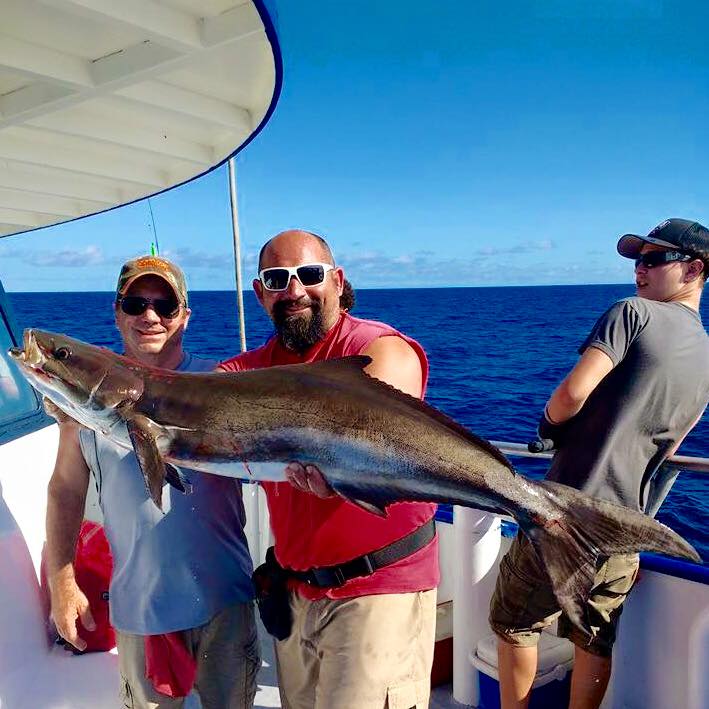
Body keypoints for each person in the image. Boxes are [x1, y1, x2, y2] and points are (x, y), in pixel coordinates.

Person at [490, 218, 709, 709]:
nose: (639, 271)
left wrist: (548, 429)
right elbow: (671, 445)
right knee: (594, 637)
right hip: (626, 526)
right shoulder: (708, 357)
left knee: (513, 621)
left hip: (566, 512)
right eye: (637, 261)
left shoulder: (632, 314)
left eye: (654, 260)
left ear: (695, 268)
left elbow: (571, 393)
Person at [220, 229, 439, 709]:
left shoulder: (378, 346)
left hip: (377, 589)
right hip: (297, 594)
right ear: (260, 294)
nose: (294, 290)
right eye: (277, 279)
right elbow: (188, 398)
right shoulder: (249, 372)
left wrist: (336, 462)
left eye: (309, 275)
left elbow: (377, 423)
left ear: (337, 282)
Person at [45, 255, 259, 709]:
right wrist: (62, 583)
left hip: (226, 602)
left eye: (165, 305)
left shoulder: (222, 382)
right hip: (140, 612)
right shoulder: (82, 404)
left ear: (185, 314)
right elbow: (65, 489)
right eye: (137, 303)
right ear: (117, 311)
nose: (150, 316)